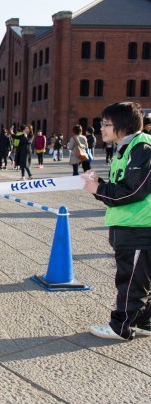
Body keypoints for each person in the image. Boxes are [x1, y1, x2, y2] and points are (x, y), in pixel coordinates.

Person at [81, 101, 151, 340]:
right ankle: (143, 322)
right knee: (139, 280)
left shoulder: (142, 149)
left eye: (106, 124)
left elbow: (134, 191)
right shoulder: (128, 148)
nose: (101, 128)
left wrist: (99, 189)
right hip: (130, 224)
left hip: (139, 227)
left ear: (123, 125)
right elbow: (125, 186)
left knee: (130, 281)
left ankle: (120, 327)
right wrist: (100, 184)